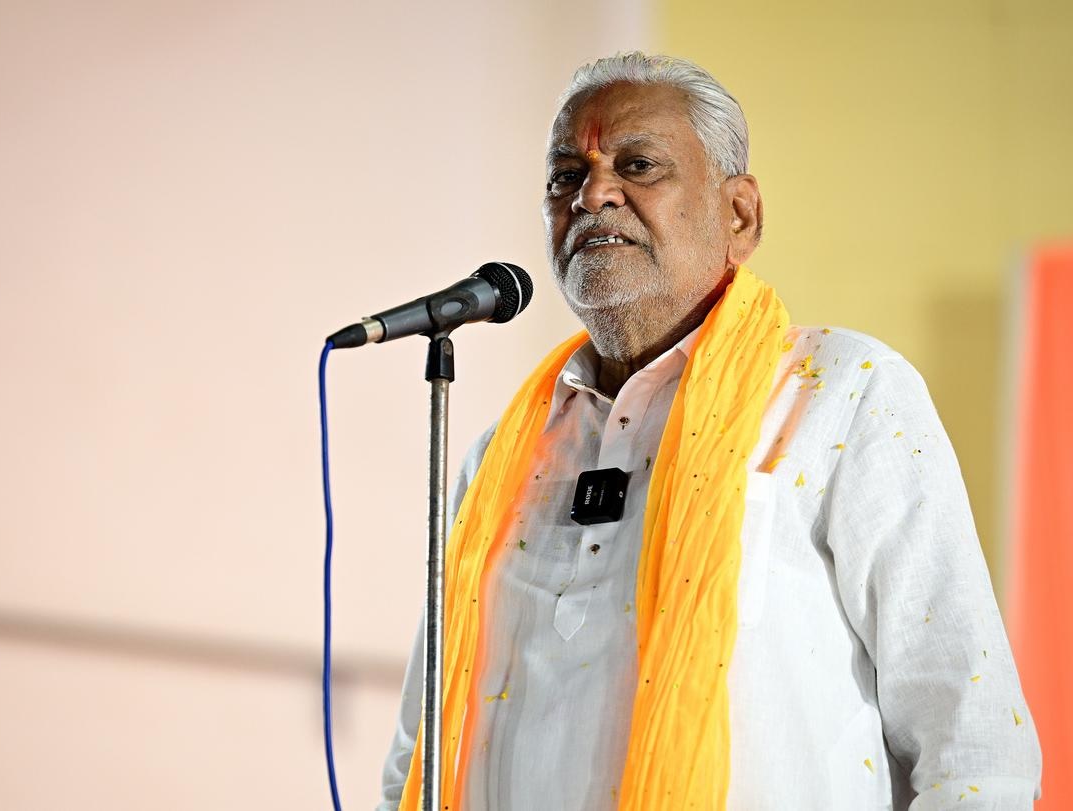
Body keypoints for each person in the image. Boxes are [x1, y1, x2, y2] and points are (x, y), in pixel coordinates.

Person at [379, 52, 1041, 811]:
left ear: (740, 216)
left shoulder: (841, 394)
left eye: (638, 164)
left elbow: (975, 746)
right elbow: (414, 760)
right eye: (566, 176)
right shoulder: (498, 460)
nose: (594, 192)